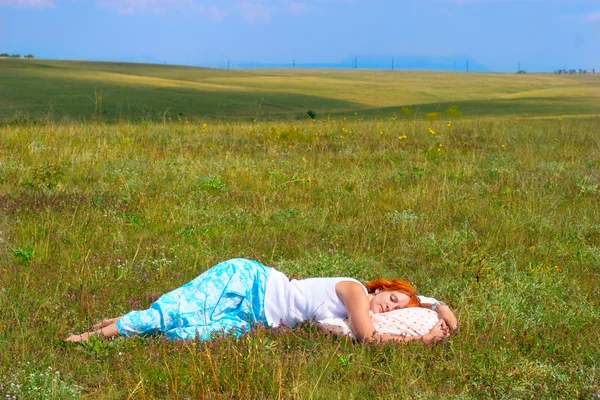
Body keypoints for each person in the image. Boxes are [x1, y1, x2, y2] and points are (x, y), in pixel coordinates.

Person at [65, 258, 458, 344]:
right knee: (173, 311)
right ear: (377, 288)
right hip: (247, 282)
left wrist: (436, 307)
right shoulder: (356, 292)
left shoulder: (363, 308)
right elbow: (368, 340)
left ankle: (117, 325)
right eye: (390, 298)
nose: (388, 308)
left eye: (395, 309)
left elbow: (435, 309)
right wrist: (422, 340)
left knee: (187, 334)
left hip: (252, 319)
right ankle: (90, 336)